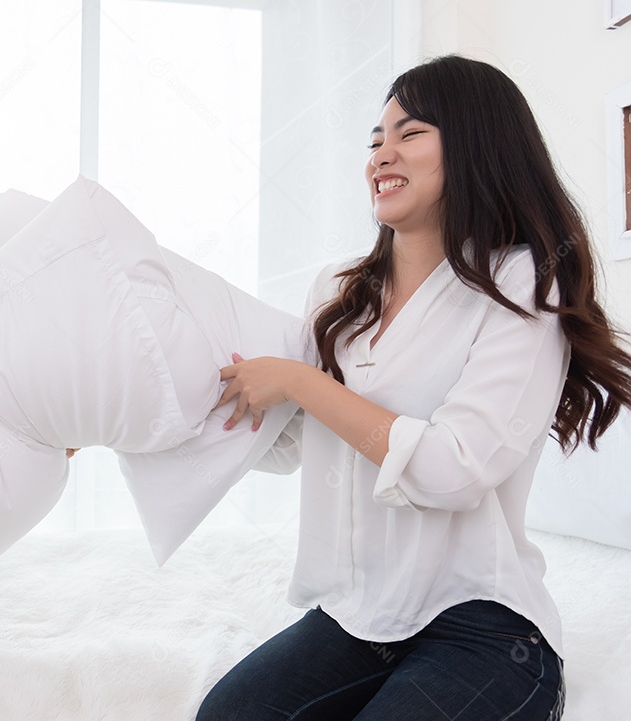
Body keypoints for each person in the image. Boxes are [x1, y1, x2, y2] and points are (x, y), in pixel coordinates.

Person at [199, 55, 631, 720]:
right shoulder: (339, 293)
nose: (381, 154)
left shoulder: (522, 283)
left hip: (483, 625)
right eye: (375, 139)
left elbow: (454, 470)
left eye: (409, 133)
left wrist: (302, 382)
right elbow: (284, 441)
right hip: (356, 616)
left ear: (475, 145)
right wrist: (127, 421)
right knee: (226, 713)